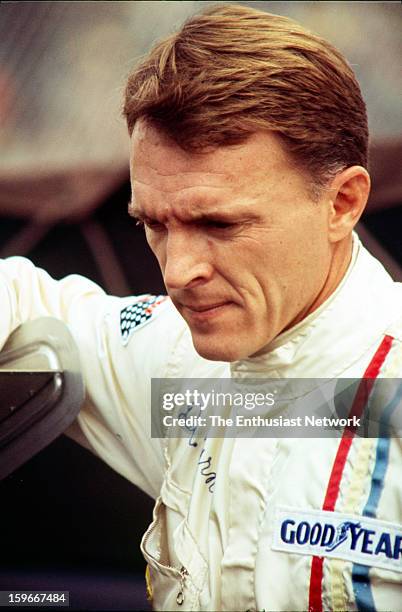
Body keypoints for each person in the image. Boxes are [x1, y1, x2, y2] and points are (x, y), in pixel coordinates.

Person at [1, 4, 401, 611]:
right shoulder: (174, 361)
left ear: (342, 203)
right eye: (153, 224)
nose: (177, 271)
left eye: (219, 223)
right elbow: (19, 296)